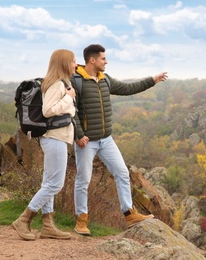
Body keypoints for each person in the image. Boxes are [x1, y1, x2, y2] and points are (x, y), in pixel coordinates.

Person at [72, 44, 168, 235]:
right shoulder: (76, 81)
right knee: (83, 179)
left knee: (122, 173)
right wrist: (79, 135)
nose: (106, 61)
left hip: (106, 139)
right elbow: (71, 110)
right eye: (103, 58)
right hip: (87, 141)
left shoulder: (104, 79)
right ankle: (81, 220)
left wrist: (152, 80)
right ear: (92, 60)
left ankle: (129, 214)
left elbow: (128, 88)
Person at [12, 49, 77, 241]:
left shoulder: (59, 83)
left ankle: (48, 225)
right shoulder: (57, 85)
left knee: (48, 182)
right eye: (73, 61)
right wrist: (69, 98)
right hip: (55, 138)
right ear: (65, 63)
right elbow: (48, 111)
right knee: (55, 184)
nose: (76, 64)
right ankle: (23, 220)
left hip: (54, 138)